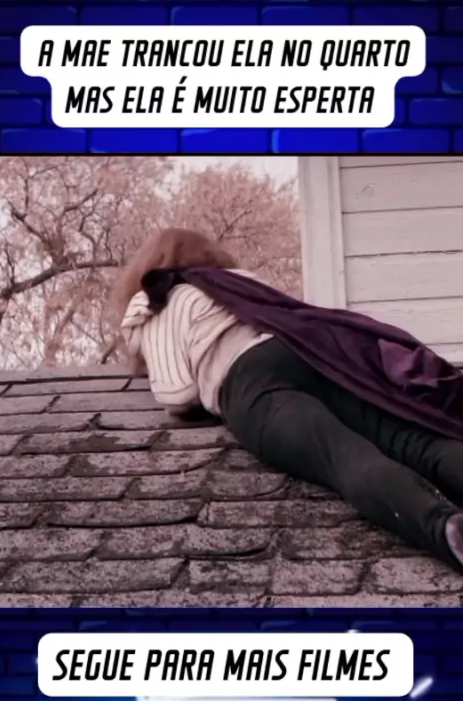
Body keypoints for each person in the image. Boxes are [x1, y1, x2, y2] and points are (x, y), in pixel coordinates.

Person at [113, 227, 463, 574]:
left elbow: (177, 393)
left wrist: (144, 342)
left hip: (251, 379)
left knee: (343, 456)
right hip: (313, 355)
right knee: (412, 442)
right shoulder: (240, 281)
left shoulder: (158, 297)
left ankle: (445, 529)